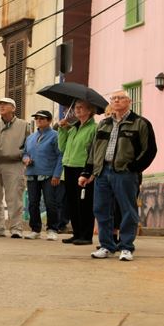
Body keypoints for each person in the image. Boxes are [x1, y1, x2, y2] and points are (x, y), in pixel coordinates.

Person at [84, 90, 157, 261]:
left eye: (120, 98)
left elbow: (149, 150)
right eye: (113, 98)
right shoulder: (104, 123)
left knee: (127, 210)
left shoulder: (140, 123)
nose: (116, 101)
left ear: (129, 101)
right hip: (102, 172)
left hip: (125, 173)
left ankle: (126, 247)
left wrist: (134, 167)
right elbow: (94, 149)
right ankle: (106, 245)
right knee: (101, 209)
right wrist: (87, 171)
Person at [0, 98, 30, 238]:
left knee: (14, 198)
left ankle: (16, 228)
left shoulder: (24, 125)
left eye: (5, 104)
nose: (1, 106)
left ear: (13, 108)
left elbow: (29, 145)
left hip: (14, 163)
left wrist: (25, 156)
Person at [57, 100, 99, 246]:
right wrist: (62, 130)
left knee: (84, 203)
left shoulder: (94, 128)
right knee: (72, 203)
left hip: (83, 167)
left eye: (81, 107)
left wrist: (90, 172)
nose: (77, 110)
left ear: (90, 110)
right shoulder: (73, 128)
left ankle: (86, 235)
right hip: (68, 167)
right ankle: (76, 233)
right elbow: (62, 147)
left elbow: (94, 150)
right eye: (76, 107)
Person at [23, 109, 64, 241]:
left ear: (49, 121)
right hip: (32, 173)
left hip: (49, 174)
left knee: (50, 202)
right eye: (37, 118)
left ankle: (52, 229)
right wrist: (25, 158)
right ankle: (35, 229)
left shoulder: (55, 135)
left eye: (42, 118)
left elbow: (60, 155)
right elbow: (24, 152)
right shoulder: (30, 137)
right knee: (32, 203)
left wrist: (57, 174)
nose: (38, 120)